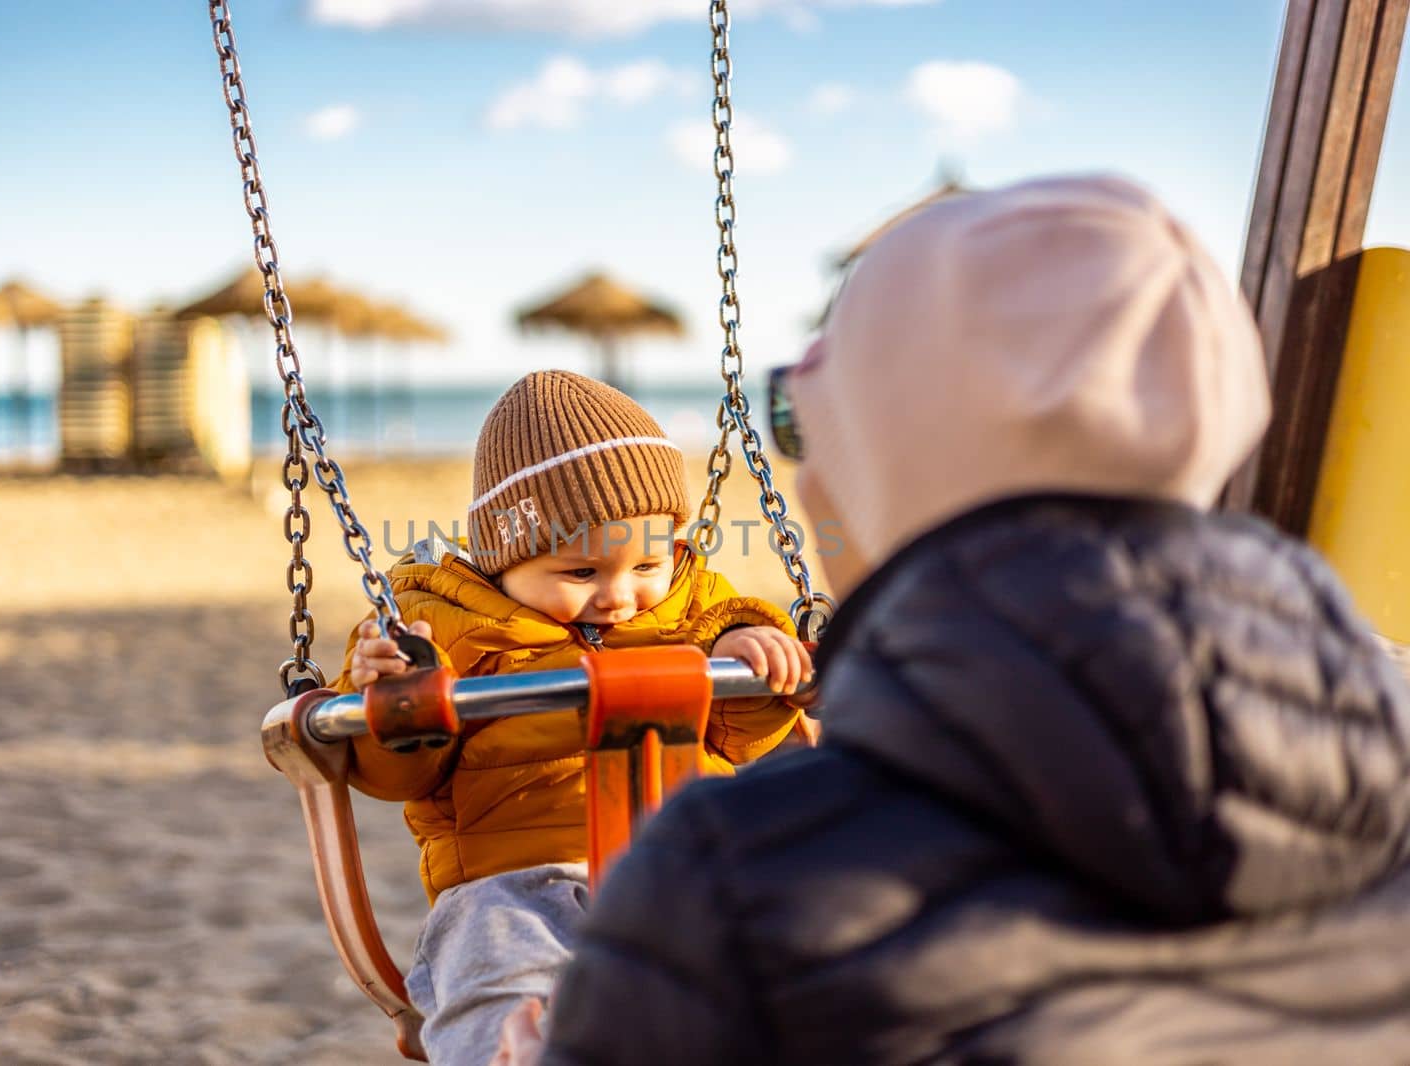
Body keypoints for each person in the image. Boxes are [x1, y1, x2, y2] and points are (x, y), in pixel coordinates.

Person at [498, 175, 1410, 1064]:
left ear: (886, 465)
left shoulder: (733, 883)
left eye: (805, 423)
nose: (803, 476)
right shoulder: (1386, 763)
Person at [334, 369, 811, 1066]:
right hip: (512, 884)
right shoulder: (441, 628)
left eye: (647, 562)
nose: (619, 597)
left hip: (685, 865)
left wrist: (748, 651)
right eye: (581, 574)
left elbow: (739, 736)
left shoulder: (693, 609)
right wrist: (395, 692)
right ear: (504, 558)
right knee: (499, 988)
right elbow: (399, 775)